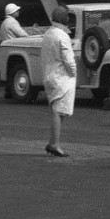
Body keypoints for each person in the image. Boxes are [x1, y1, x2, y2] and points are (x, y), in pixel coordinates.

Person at [39, 11, 77, 156]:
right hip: (61, 77)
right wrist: (73, 72)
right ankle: (54, 144)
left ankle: (52, 141)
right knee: (59, 111)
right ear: (65, 20)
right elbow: (68, 59)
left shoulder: (49, 33)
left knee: (56, 109)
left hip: (49, 75)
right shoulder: (63, 36)